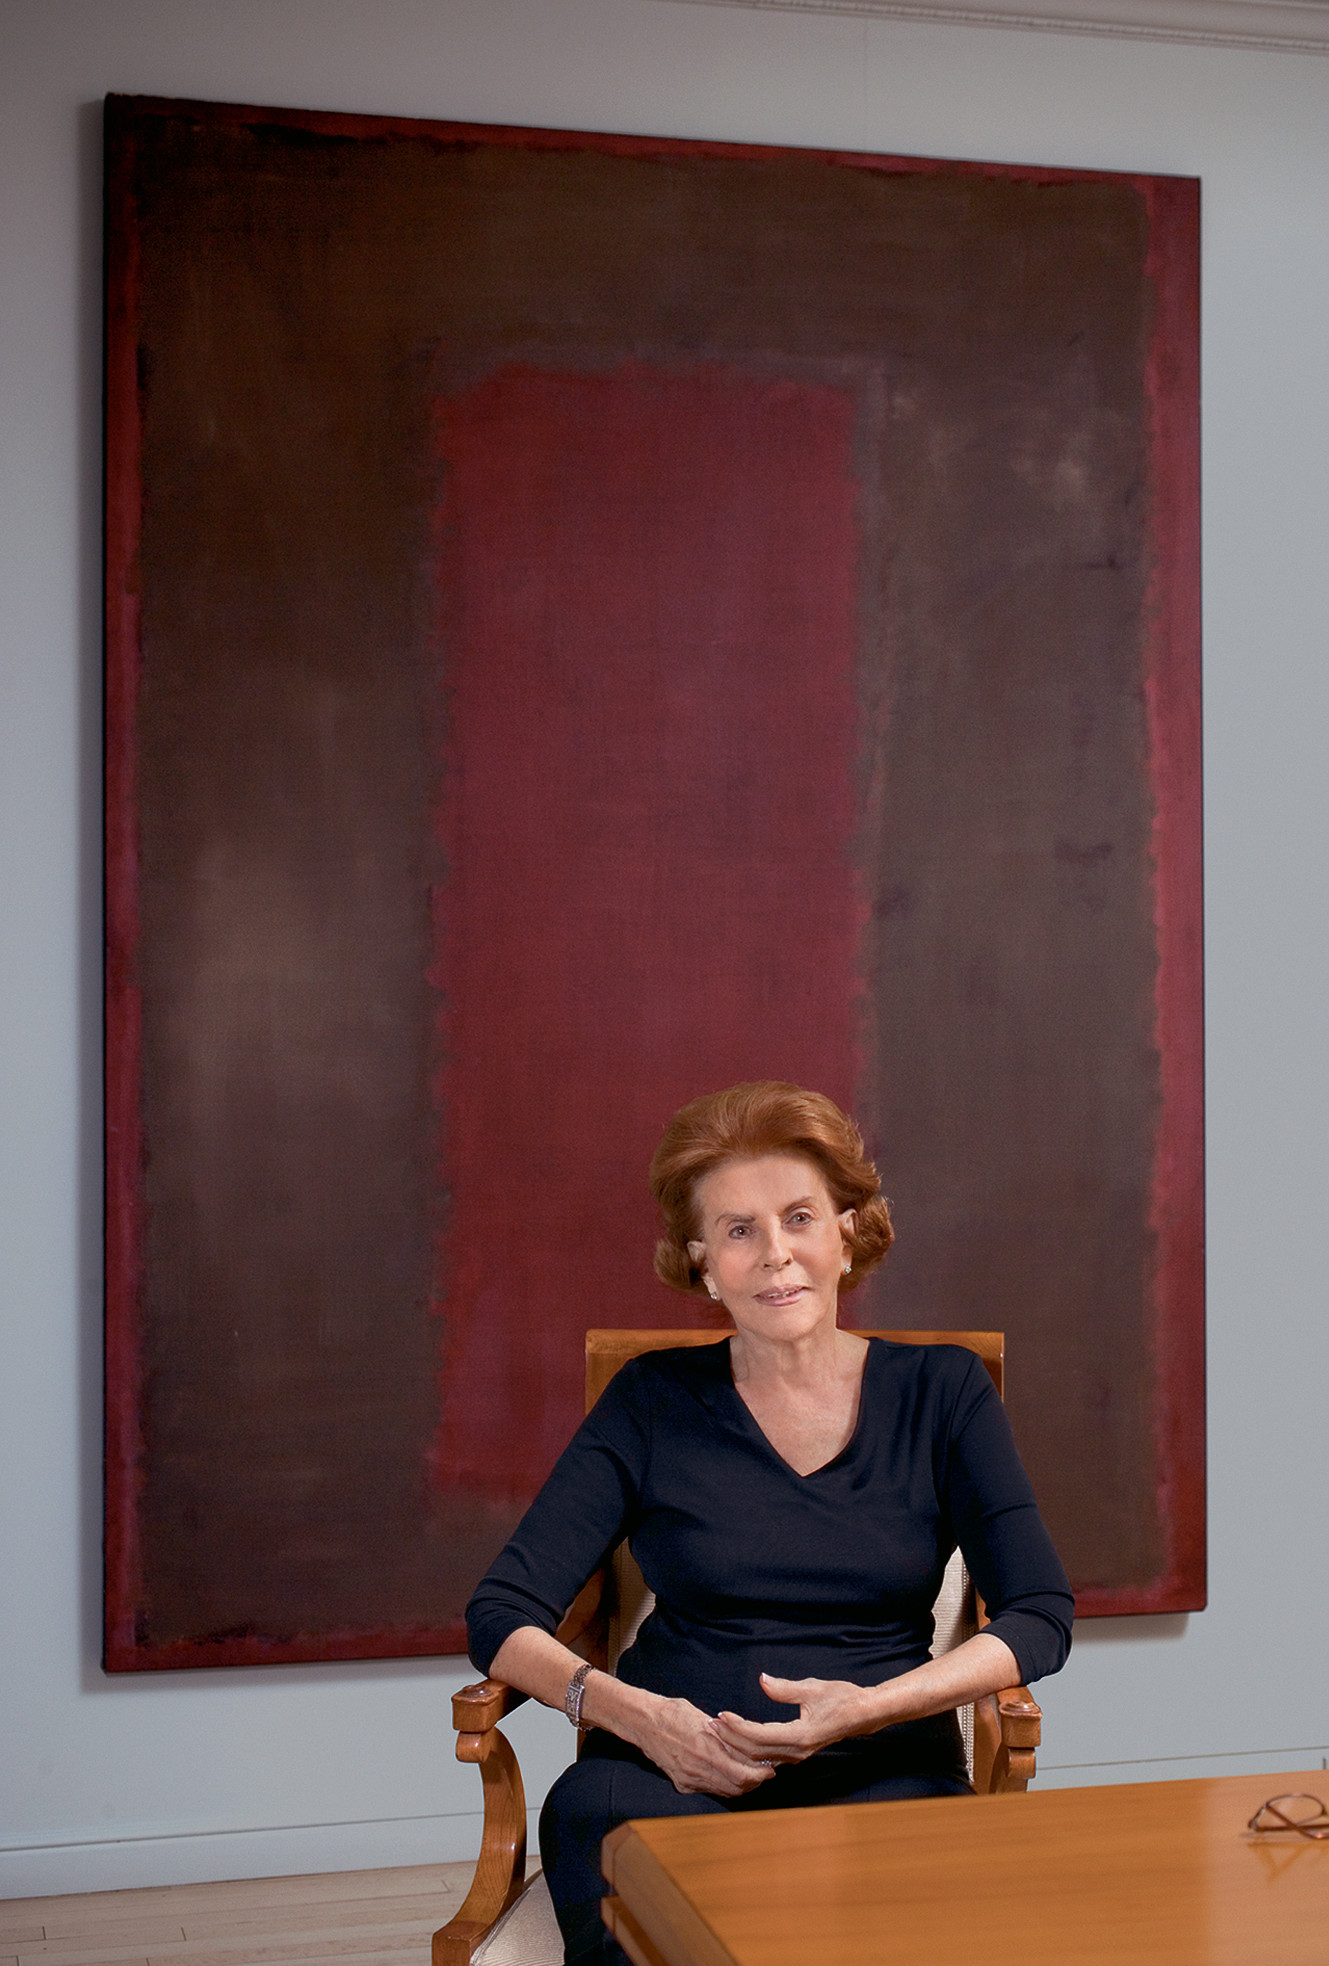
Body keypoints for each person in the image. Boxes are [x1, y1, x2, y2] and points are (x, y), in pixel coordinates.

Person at [466, 1082, 1073, 1966]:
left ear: (846, 1234)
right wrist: (642, 1719)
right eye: (738, 1230)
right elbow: (499, 1614)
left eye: (798, 1218)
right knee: (619, 1869)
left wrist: (863, 1712)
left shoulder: (943, 1392)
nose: (775, 1254)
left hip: (885, 1774)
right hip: (661, 1776)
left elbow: (1039, 1616)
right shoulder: (651, 1400)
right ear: (703, 1262)